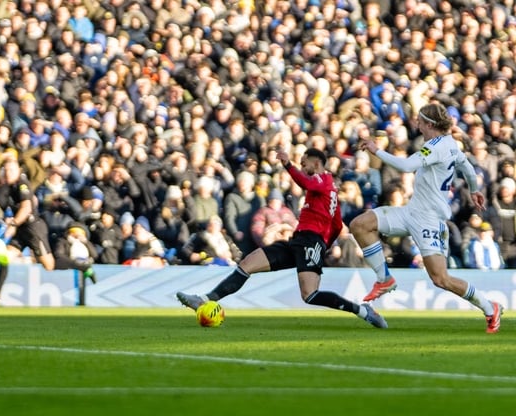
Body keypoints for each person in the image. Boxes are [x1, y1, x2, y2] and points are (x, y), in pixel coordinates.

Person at [177, 148, 388, 329]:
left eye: (304, 164)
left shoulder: (323, 180)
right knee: (247, 264)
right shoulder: (328, 190)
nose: (303, 168)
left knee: (310, 295)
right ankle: (204, 299)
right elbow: (335, 224)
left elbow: (306, 183)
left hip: (310, 241)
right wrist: (326, 243)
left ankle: (362, 311)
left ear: (316, 163)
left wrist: (288, 165)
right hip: (299, 240)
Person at [350, 102, 502, 333]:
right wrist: (473, 190)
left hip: (430, 219)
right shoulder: (450, 144)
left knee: (441, 279)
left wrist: (376, 150)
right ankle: (384, 279)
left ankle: (489, 306)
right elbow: (468, 169)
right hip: (412, 211)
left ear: (429, 124)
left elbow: (406, 165)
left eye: (420, 122)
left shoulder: (436, 147)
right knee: (360, 225)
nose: (417, 126)